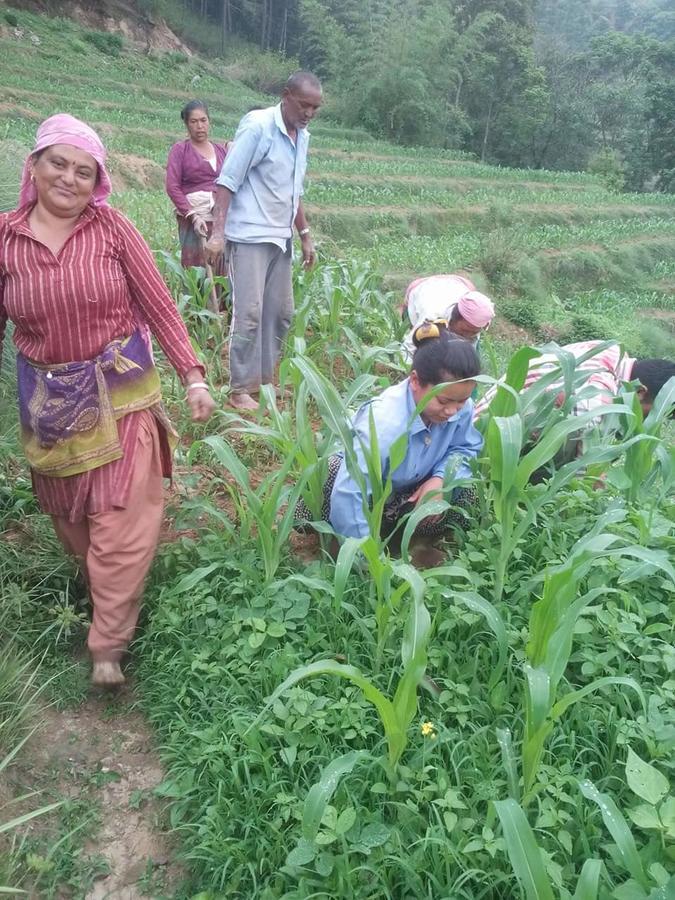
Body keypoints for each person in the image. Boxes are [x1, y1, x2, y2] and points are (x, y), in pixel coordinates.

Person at [0, 114, 216, 687]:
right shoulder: (5, 238)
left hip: (120, 395)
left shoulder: (113, 230)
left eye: (83, 170)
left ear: (97, 180)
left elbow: (160, 306)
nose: (68, 179)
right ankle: (103, 590)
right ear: (34, 165)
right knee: (71, 518)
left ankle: (108, 648)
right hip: (49, 407)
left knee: (120, 518)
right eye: (58, 164)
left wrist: (192, 374)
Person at [297, 327, 483, 567]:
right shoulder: (385, 423)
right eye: (444, 401)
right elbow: (349, 492)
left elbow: (465, 450)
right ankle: (336, 543)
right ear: (415, 381)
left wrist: (440, 480)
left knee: (466, 488)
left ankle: (417, 544)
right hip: (366, 499)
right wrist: (368, 560)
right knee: (332, 469)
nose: (452, 411)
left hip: (410, 493)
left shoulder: (460, 408)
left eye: (462, 401)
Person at [205, 71, 322, 411]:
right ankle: (240, 387)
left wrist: (304, 235)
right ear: (286, 95)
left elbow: (293, 191)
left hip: (280, 237)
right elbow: (227, 180)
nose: (309, 113)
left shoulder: (302, 137)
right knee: (249, 314)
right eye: (304, 105)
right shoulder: (258, 127)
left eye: (315, 108)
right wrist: (217, 232)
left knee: (281, 313)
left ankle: (265, 380)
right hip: (249, 236)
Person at [474, 340, 675, 420]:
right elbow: (585, 478)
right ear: (640, 391)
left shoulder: (612, 352)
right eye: (655, 412)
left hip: (488, 415)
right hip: (483, 442)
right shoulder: (597, 396)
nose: (650, 420)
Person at [165, 100, 230, 271]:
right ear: (186, 125)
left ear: (209, 121)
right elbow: (172, 186)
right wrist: (193, 215)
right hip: (194, 220)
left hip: (219, 221)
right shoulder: (180, 150)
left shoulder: (221, 151)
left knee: (220, 271)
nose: (199, 126)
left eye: (203, 120)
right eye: (193, 122)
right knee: (197, 271)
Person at [401, 273, 495, 360]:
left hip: (459, 283)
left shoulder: (481, 315)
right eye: (464, 331)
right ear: (454, 319)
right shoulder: (431, 316)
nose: (467, 336)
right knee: (427, 348)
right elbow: (407, 351)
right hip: (422, 287)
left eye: (473, 333)